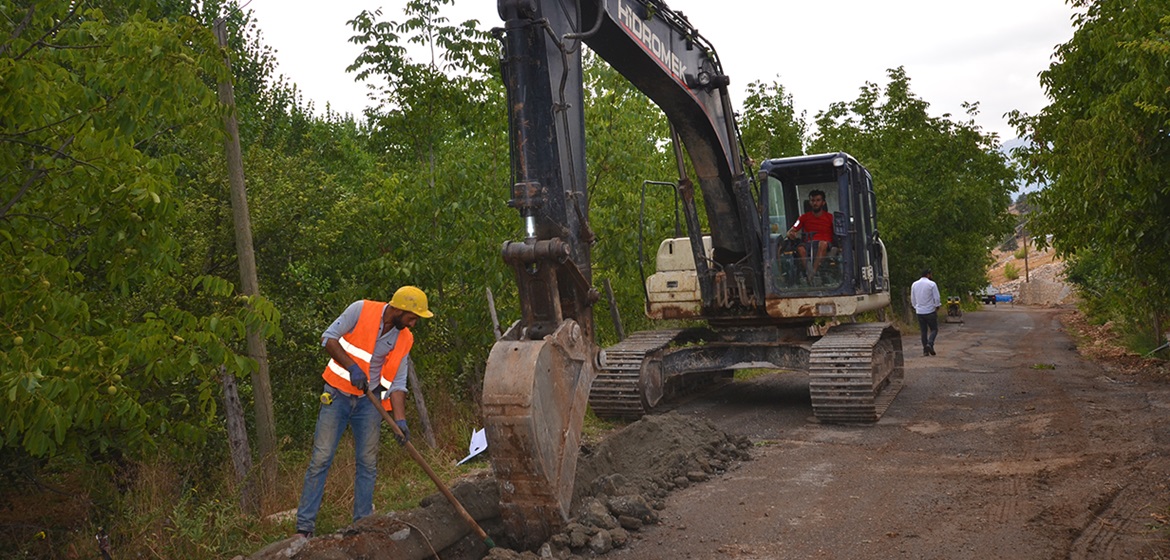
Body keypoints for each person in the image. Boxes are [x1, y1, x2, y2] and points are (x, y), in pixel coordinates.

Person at [294, 286, 434, 538]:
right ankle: (304, 528)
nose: (413, 324)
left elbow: (399, 383)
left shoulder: (404, 338)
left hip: (369, 404)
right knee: (321, 459)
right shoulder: (361, 309)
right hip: (336, 395)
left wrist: (400, 420)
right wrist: (352, 367)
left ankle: (362, 524)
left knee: (368, 463)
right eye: (412, 318)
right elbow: (328, 338)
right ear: (400, 310)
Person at [786, 189, 834, 283]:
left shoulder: (831, 217)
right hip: (809, 244)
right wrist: (791, 234)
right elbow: (791, 231)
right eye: (812, 200)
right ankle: (809, 272)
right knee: (800, 248)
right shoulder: (803, 218)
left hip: (825, 244)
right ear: (809, 202)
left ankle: (812, 275)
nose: (815, 203)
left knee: (822, 244)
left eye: (818, 200)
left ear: (823, 202)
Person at [910, 269, 941, 356]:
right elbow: (937, 297)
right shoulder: (932, 284)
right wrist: (937, 305)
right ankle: (930, 344)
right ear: (928, 275)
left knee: (923, 331)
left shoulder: (914, 284)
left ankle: (925, 351)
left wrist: (915, 306)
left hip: (920, 311)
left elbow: (913, 298)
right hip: (930, 311)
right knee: (934, 329)